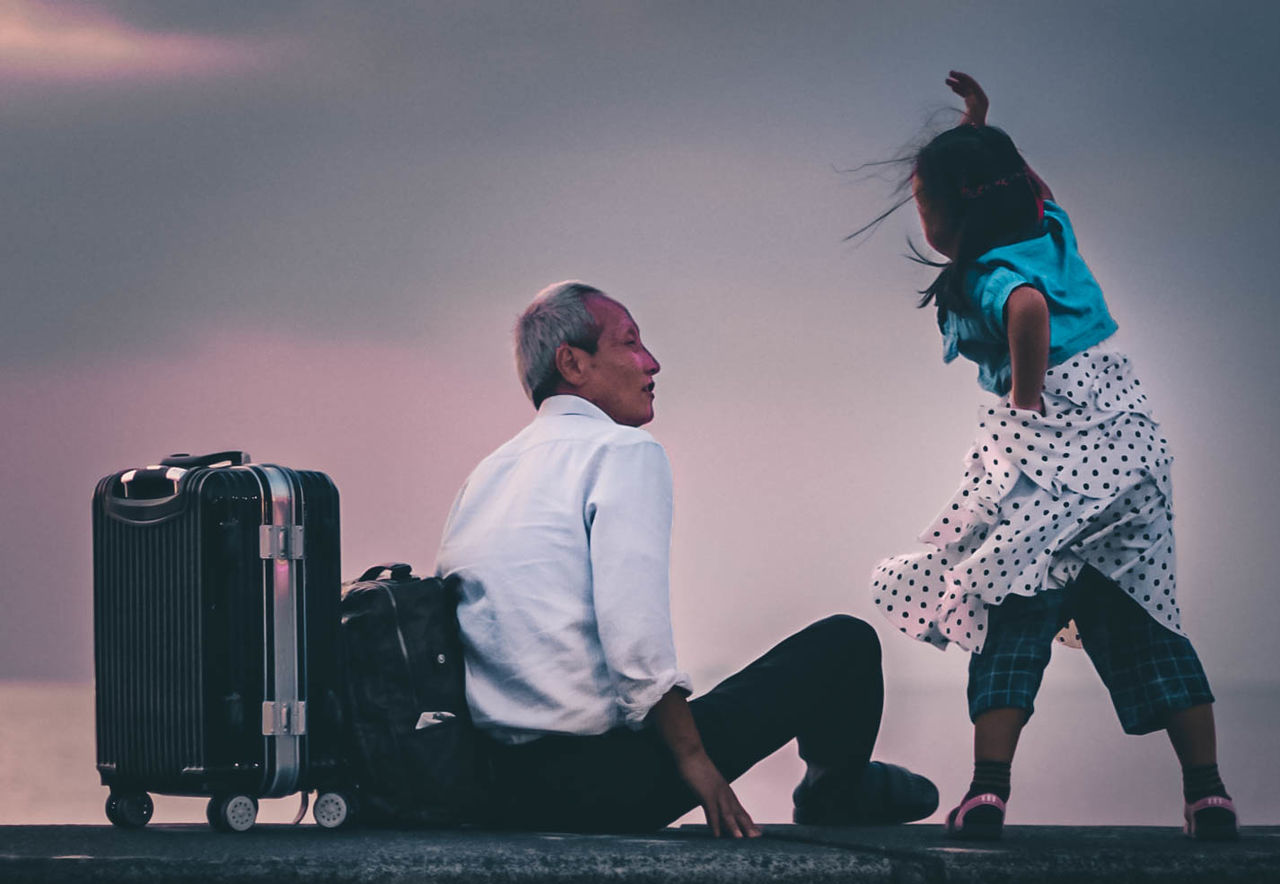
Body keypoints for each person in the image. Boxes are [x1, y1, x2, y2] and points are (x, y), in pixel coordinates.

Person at [865, 72, 1237, 841]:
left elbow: (1026, 310)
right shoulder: (1051, 229)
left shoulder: (994, 274)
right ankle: (1208, 792)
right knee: (1143, 612)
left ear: (957, 211)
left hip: (1058, 446)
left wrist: (1025, 405)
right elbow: (1032, 186)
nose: (922, 216)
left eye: (924, 203)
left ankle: (988, 791)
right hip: (1129, 447)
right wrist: (984, 127)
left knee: (1010, 604)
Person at [436, 280, 937, 836]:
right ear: (573, 364)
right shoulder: (622, 451)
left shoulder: (486, 475)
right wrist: (696, 763)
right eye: (629, 344)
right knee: (845, 644)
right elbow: (634, 633)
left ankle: (848, 784)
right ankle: (837, 792)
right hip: (600, 786)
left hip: (498, 787)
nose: (651, 363)